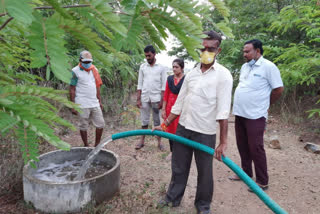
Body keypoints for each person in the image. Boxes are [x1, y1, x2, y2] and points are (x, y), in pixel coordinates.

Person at [155, 31, 233, 214]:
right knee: (178, 167)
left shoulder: (224, 76)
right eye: (203, 47)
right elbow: (179, 103)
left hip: (204, 133)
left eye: (211, 48)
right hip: (183, 129)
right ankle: (172, 199)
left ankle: (203, 205)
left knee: (205, 173)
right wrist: (165, 124)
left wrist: (223, 142)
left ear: (218, 50)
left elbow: (223, 112)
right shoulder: (191, 74)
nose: (206, 51)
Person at [230, 39, 284, 192]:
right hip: (240, 113)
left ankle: (262, 182)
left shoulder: (268, 67)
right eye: (244, 51)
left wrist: (266, 105)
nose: (244, 54)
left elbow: (278, 89)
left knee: (256, 147)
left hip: (256, 115)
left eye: (247, 51)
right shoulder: (244, 67)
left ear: (258, 51)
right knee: (242, 145)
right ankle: (245, 173)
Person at [69, 50, 105, 147]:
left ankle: (97, 145)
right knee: (83, 125)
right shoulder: (75, 71)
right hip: (82, 103)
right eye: (85, 62)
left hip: (94, 102)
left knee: (100, 124)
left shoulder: (94, 69)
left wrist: (99, 101)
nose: (87, 64)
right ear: (80, 60)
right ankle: (86, 145)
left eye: (89, 62)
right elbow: (72, 89)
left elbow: (97, 86)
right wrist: (73, 105)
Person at [136, 45, 167, 151]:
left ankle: (159, 142)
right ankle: (142, 141)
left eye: (149, 55)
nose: (147, 58)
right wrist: (138, 98)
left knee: (157, 121)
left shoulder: (161, 68)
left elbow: (164, 86)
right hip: (145, 97)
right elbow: (139, 83)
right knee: (144, 121)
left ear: (154, 54)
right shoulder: (143, 67)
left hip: (156, 98)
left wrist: (162, 100)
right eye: (146, 56)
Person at [162, 59, 185, 155]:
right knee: (169, 130)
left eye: (176, 67)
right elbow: (166, 94)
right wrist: (163, 109)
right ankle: (172, 152)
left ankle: (179, 152)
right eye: (173, 67)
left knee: (179, 131)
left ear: (182, 68)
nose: (174, 69)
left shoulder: (186, 80)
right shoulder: (170, 79)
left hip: (181, 110)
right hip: (169, 109)